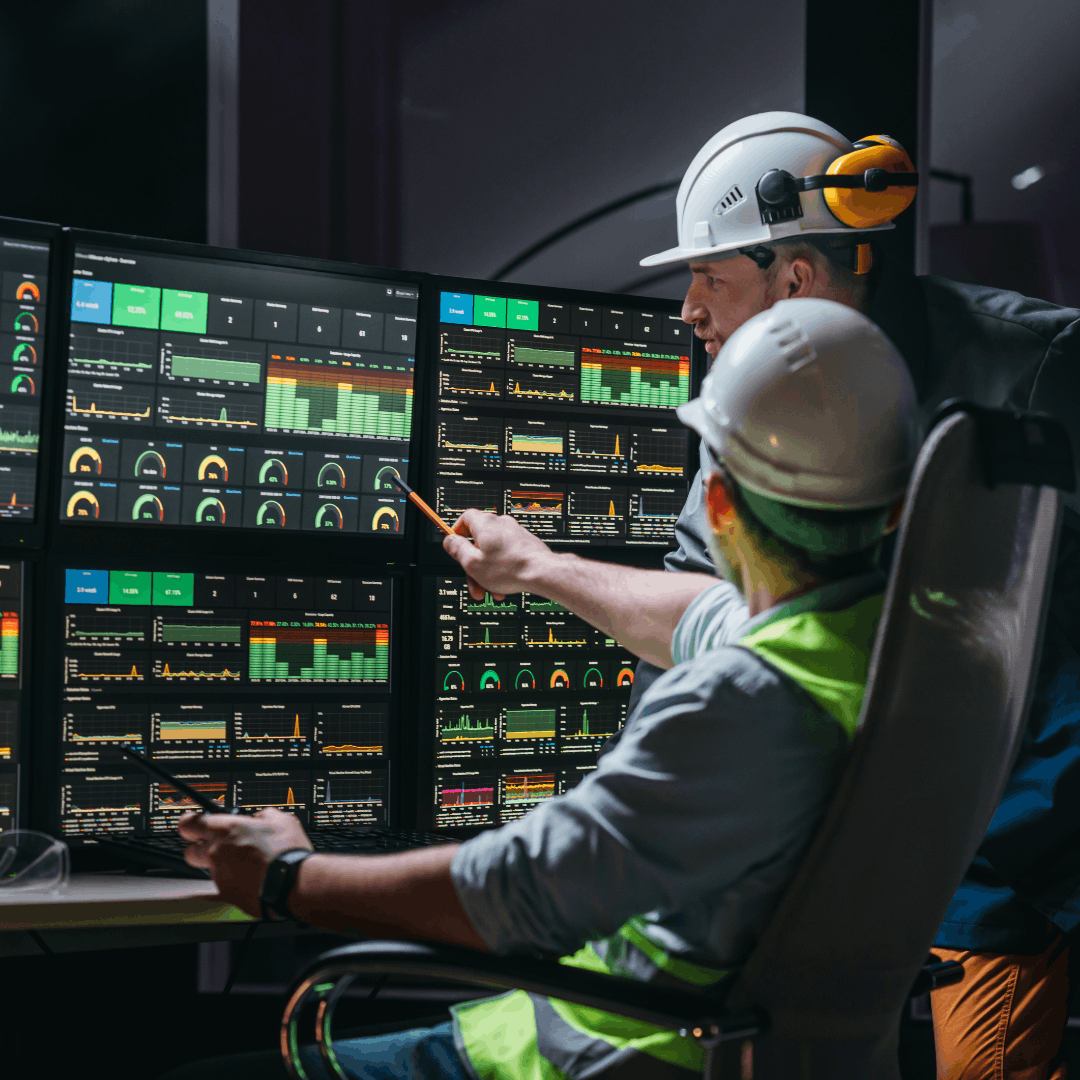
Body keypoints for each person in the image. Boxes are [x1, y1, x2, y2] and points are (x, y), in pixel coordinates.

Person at [457, 111, 1080, 1079]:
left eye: (709, 277)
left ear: (794, 279)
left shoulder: (1039, 368)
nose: (688, 310)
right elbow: (704, 607)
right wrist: (538, 572)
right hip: (840, 860)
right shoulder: (752, 414)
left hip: (1016, 848)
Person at [161, 298, 918, 1080]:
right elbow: (700, 613)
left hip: (609, 1054)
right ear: (896, 504)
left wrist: (288, 876)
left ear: (719, 506)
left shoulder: (744, 702)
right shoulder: (900, 651)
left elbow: (514, 896)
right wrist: (536, 568)